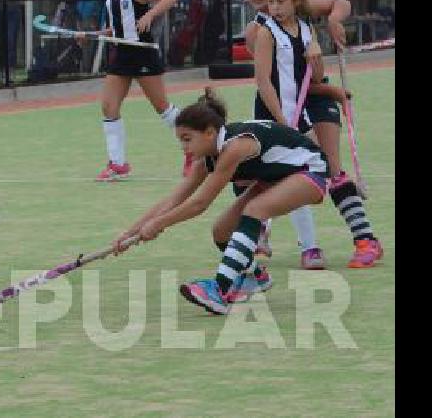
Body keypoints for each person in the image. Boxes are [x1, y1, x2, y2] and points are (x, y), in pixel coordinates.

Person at [112, 89, 329, 315]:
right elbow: (174, 199)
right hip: (275, 178)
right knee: (222, 231)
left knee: (254, 209)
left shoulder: (235, 147)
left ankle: (220, 289)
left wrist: (159, 224)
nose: (184, 147)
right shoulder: (206, 159)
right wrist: (130, 232)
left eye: (187, 139)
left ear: (209, 133)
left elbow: (200, 203)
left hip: (311, 171)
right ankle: (254, 277)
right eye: (181, 141)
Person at [243, 0, 383, 269]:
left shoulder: (303, 19)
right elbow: (274, 80)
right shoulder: (258, 31)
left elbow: (339, 6)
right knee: (290, 174)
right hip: (288, 106)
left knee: (329, 168)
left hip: (311, 99)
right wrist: (285, 119)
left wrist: (330, 26)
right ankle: (275, 236)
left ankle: (365, 239)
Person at [89, 0, 186, 182]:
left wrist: (151, 15)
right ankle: (118, 164)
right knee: (108, 107)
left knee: (163, 108)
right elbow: (117, 29)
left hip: (143, 54)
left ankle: (198, 150)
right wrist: (93, 34)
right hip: (121, 55)